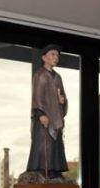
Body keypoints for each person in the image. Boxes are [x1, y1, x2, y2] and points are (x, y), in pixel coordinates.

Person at [26, 44, 68, 179]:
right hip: (43, 119)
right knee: (43, 145)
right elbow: (36, 97)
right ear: (44, 57)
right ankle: (41, 170)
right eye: (53, 54)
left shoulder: (58, 77)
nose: (56, 57)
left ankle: (55, 170)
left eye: (57, 55)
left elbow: (62, 96)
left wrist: (63, 101)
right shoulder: (40, 75)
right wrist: (40, 113)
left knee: (56, 145)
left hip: (56, 118)